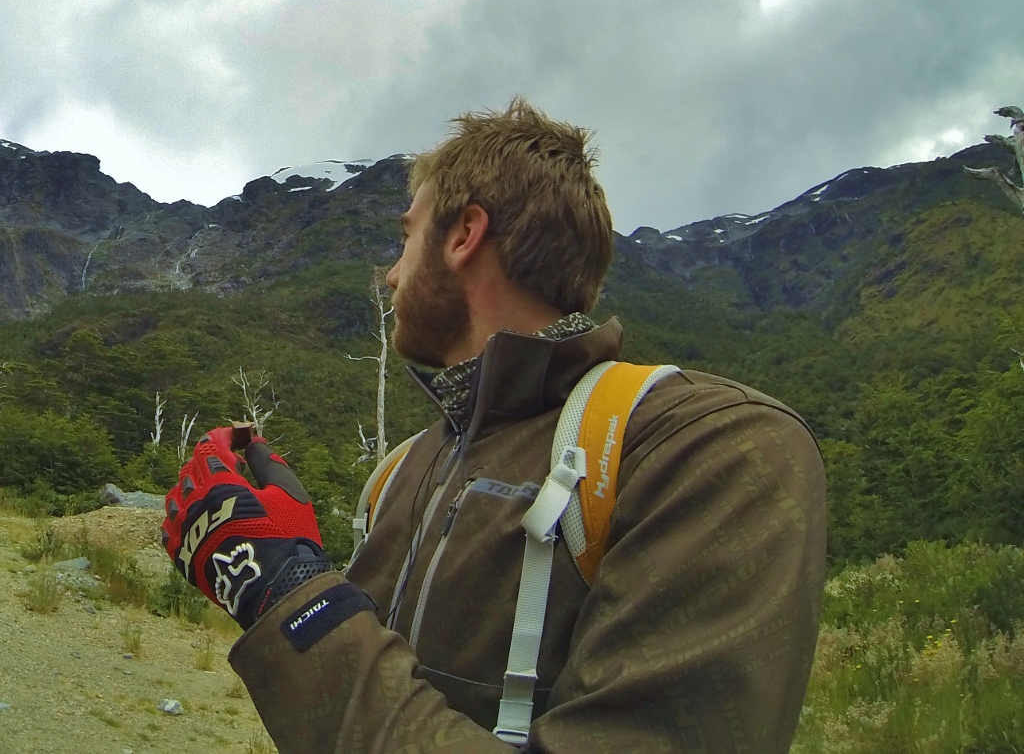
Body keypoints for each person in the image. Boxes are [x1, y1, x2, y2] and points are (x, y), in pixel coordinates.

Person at [162, 97, 827, 753]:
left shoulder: (714, 447)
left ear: (462, 235)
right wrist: (295, 556)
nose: (391, 275)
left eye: (405, 236)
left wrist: (289, 596)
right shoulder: (399, 472)